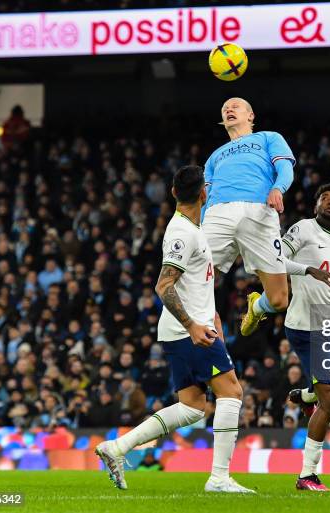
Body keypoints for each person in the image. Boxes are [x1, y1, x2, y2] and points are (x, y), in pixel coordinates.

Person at [95, 165, 253, 494]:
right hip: (188, 331)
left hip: (190, 327)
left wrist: (214, 320)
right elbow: (164, 285)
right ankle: (219, 478)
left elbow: (197, 285)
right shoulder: (182, 233)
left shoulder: (193, 230)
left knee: (193, 407)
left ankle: (118, 448)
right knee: (232, 393)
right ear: (204, 193)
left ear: (173, 193)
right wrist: (194, 325)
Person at [202, 98, 330, 337]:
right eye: (225, 109)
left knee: (278, 300)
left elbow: (285, 169)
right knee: (191, 277)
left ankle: (256, 306)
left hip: (259, 211)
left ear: (251, 116)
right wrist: (197, 226)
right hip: (218, 212)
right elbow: (206, 194)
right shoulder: (214, 156)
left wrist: (278, 188)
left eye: (235, 106)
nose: (229, 109)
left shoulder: (268, 138)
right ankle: (210, 347)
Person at [278, 184, 330, 491]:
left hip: (328, 320)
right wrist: (308, 270)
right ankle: (307, 474)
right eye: (324, 198)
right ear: (315, 206)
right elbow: (274, 259)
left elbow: (327, 288)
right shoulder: (304, 229)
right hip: (306, 327)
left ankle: (307, 396)